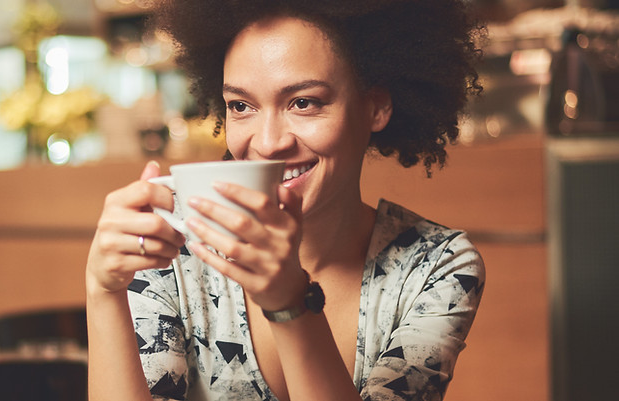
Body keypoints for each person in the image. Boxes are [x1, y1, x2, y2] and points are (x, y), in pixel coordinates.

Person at [85, 0, 485, 400]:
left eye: (303, 102)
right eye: (241, 106)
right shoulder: (173, 249)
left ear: (375, 107)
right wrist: (103, 292)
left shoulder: (434, 267)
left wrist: (290, 304)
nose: (268, 143)